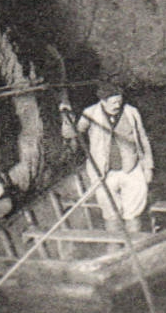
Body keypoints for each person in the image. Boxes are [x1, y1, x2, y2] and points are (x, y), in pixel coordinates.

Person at [60, 81, 153, 233]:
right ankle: (114, 243)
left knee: (133, 214)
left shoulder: (131, 112)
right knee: (111, 215)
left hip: (131, 169)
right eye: (113, 102)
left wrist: (148, 167)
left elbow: (143, 139)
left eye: (119, 101)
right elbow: (71, 134)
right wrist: (66, 117)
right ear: (103, 101)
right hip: (103, 172)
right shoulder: (90, 113)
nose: (117, 105)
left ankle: (135, 242)